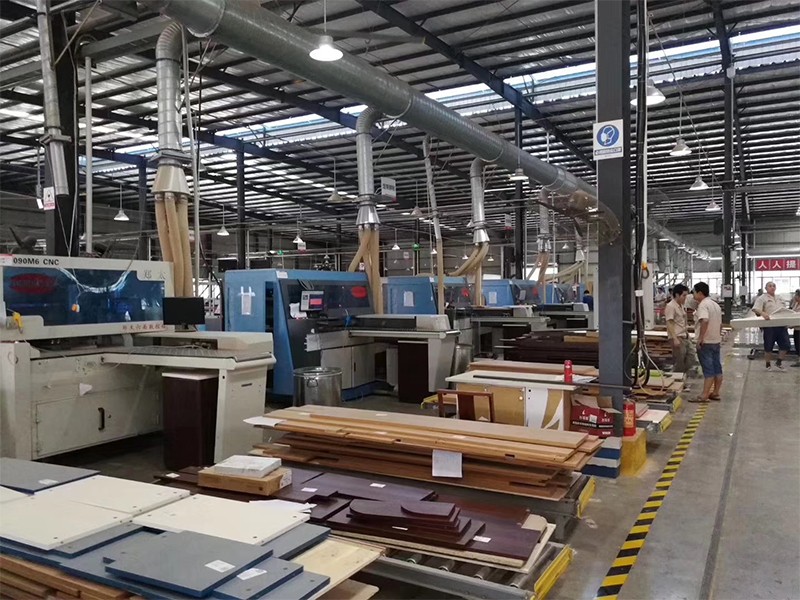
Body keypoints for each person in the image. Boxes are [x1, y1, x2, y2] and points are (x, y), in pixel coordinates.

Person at [692, 282, 723, 402]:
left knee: (708, 369)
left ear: (700, 293)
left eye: (694, 292)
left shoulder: (703, 305)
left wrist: (700, 338)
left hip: (706, 342)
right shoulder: (715, 305)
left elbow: (704, 321)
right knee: (717, 368)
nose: (693, 295)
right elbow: (720, 324)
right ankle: (715, 393)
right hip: (715, 340)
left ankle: (704, 395)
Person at [752, 282, 791, 371]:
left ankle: (779, 362)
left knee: (786, 345)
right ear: (766, 288)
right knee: (768, 347)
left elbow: (785, 310)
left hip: (781, 325)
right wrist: (763, 313)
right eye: (770, 286)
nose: (772, 287)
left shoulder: (780, 298)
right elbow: (755, 309)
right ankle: (768, 364)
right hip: (769, 326)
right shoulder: (762, 298)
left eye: (774, 286)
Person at [665, 284, 694, 374]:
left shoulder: (681, 305)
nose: (685, 298)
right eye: (684, 295)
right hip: (677, 336)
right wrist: (674, 338)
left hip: (684, 335)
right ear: (677, 295)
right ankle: (678, 377)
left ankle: (683, 375)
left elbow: (682, 321)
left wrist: (687, 333)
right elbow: (669, 323)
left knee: (691, 356)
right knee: (680, 361)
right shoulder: (671, 306)